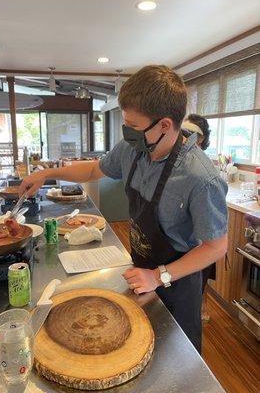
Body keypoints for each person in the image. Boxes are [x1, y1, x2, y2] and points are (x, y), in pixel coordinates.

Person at [19, 65, 228, 352]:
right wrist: (45, 173)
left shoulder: (201, 177)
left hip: (175, 285)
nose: (127, 132)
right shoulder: (134, 149)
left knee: (172, 361)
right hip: (139, 270)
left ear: (165, 124)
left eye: (133, 126)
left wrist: (158, 276)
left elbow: (216, 247)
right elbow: (93, 169)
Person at [181, 114, 215, 321]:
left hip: (202, 231)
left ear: (201, 139)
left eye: (191, 133)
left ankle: (200, 306)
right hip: (187, 227)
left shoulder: (203, 166)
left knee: (202, 271)